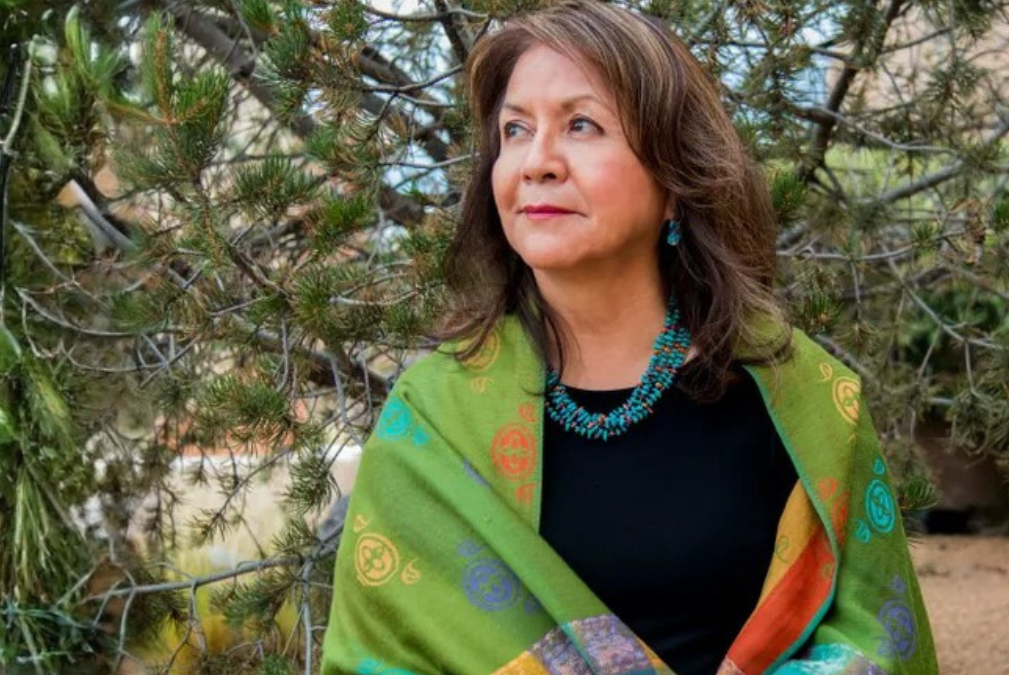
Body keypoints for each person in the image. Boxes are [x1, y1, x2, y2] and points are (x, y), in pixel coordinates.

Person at [320, 2, 938, 673]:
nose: (536, 161)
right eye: (515, 130)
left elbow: (875, 641)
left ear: (674, 181)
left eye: (581, 124)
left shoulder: (796, 398)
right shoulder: (432, 424)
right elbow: (377, 657)